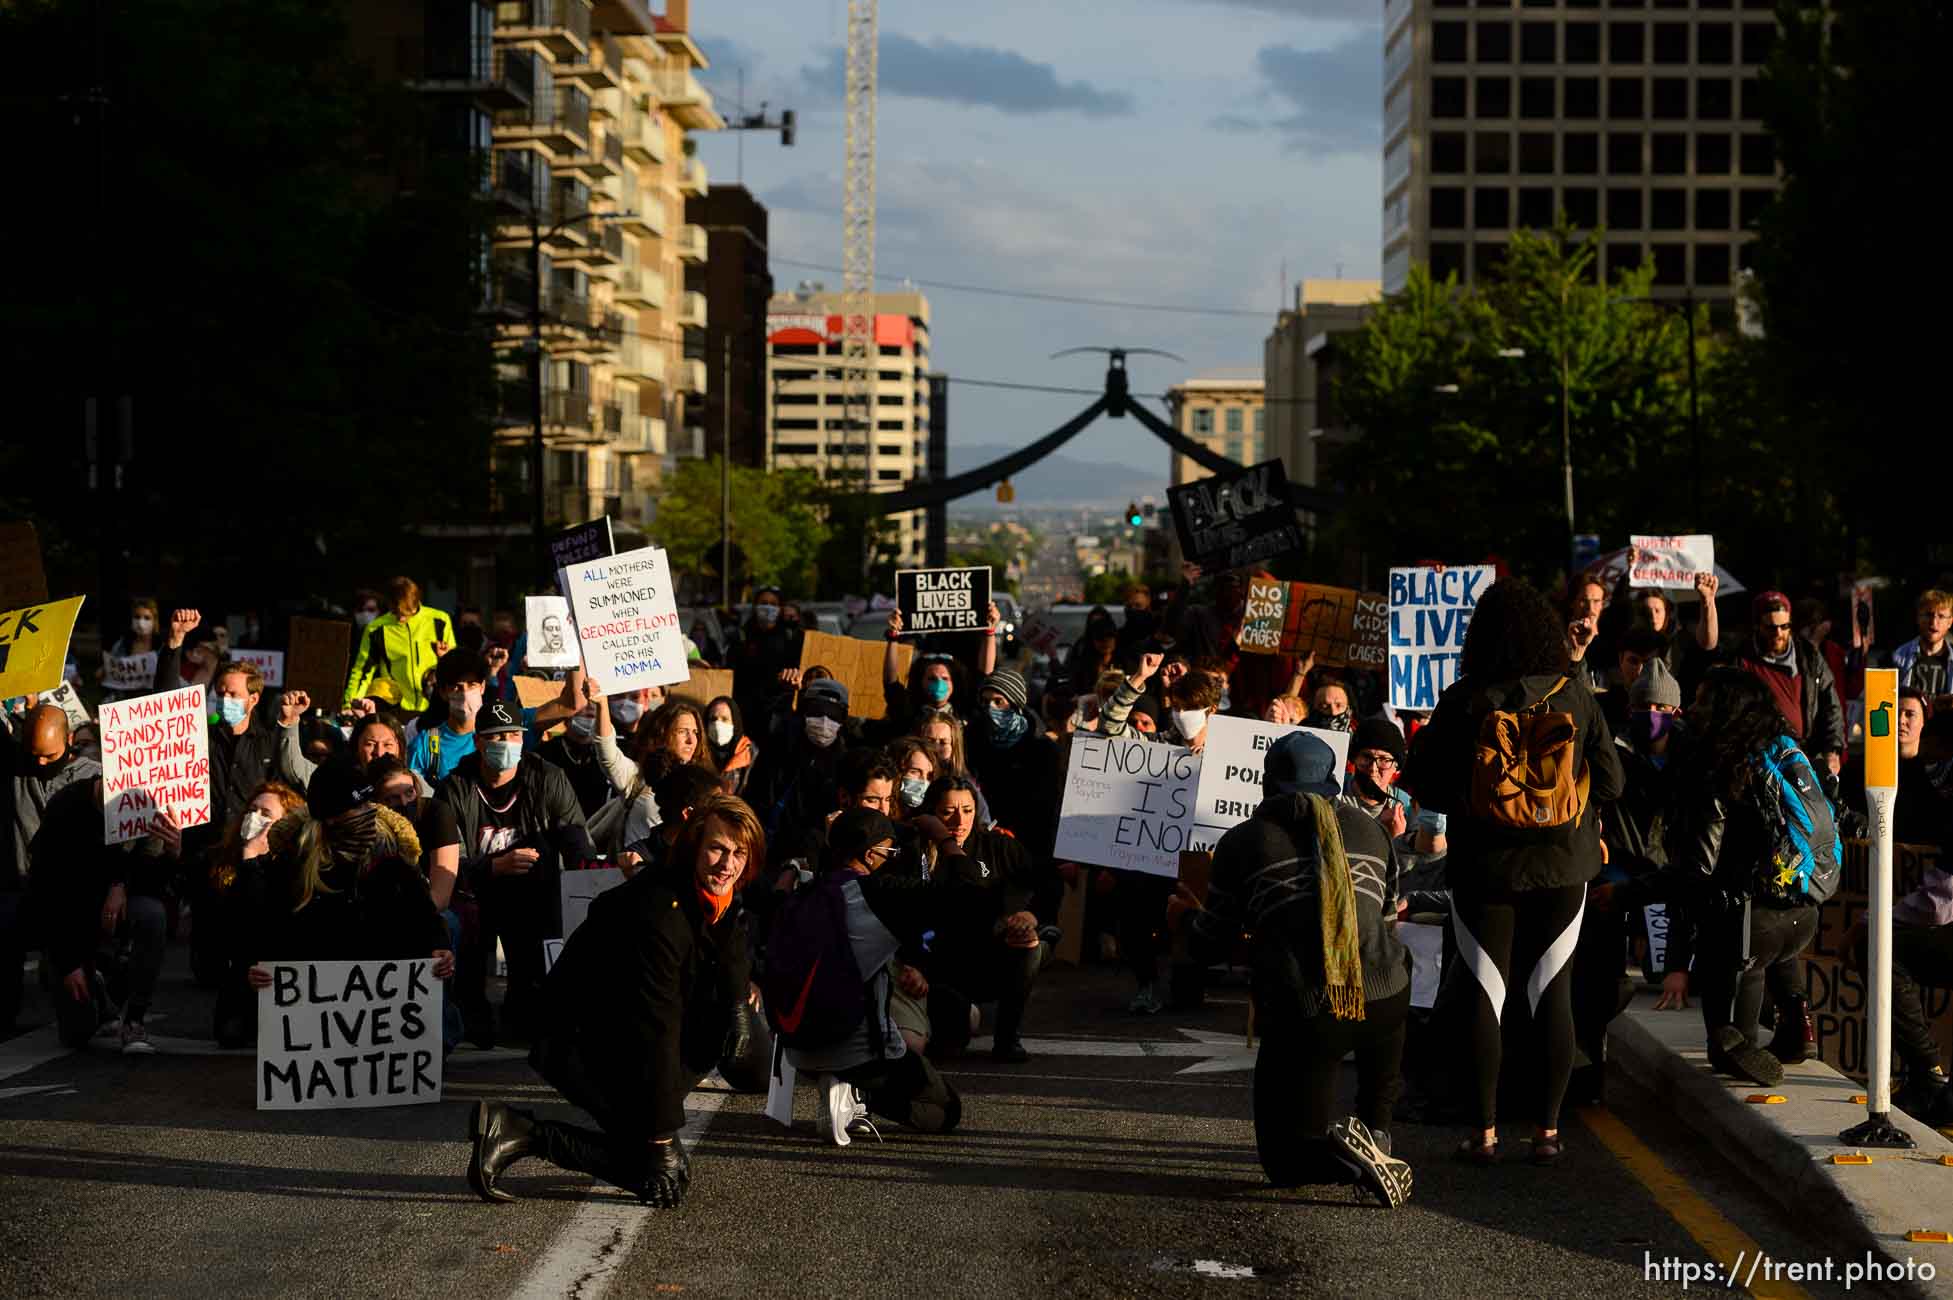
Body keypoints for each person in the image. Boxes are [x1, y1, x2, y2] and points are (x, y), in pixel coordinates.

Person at [1403, 577, 1624, 1165]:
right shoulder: (1575, 695)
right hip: (1562, 866)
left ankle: (1483, 1133)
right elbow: (1613, 782)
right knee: (1552, 992)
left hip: (1484, 866)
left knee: (1485, 991)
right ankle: (1548, 1133)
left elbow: (1422, 779)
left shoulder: (1466, 698)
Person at [466, 795, 763, 1206]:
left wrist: (736, 1005)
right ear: (695, 846)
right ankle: (521, 1133)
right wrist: (661, 1134)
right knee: (653, 1171)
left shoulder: (717, 891)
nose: (727, 864)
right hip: (582, 1038)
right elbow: (656, 1023)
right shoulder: (660, 909)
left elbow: (731, 933)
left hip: (626, 1031)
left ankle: (617, 1128)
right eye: (717, 848)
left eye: (739, 853)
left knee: (734, 1022)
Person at [1172, 731, 1414, 1207]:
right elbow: (1386, 929)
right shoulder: (1375, 831)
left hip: (1310, 1011)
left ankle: (1349, 1160)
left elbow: (1209, 944)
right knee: (1381, 988)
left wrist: (1182, 917)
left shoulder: (1244, 841)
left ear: (1267, 783)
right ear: (1331, 780)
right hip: (1388, 999)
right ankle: (1376, 1134)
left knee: (1283, 1164)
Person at [784, 808, 977, 1146]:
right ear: (871, 855)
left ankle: (839, 1082)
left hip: (797, 1050)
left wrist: (788, 871)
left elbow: (764, 899)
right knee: (944, 1111)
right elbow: (969, 891)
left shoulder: (804, 890)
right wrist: (943, 838)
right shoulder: (880, 894)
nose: (894, 858)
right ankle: (856, 1092)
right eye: (890, 852)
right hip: (857, 1047)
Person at [1669, 669, 1823, 1087]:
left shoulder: (1721, 768)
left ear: (1724, 710)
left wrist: (1632, 896)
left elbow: (1696, 871)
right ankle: (1796, 1027)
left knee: (1731, 939)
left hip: (1753, 930)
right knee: (1766, 936)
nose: (1691, 710)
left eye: (1701, 701)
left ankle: (1735, 1042)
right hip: (1805, 915)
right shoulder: (1787, 750)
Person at [436, 700, 592, 1039]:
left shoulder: (547, 778)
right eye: (496, 736)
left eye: (513, 735)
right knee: (474, 1013)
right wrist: (494, 866)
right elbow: (449, 864)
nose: (506, 743)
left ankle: (524, 1004)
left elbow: (578, 845)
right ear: (477, 742)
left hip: (535, 895)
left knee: (529, 1016)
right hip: (475, 896)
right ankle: (472, 1011)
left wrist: (596, 870)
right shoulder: (454, 788)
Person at [1578, 658, 1686, 1106]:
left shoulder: (1689, 757)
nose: (1651, 714)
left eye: (1661, 706)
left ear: (1675, 712)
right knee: (1603, 968)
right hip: (1618, 865)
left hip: (1662, 869)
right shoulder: (1615, 748)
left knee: (1661, 973)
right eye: (1644, 705)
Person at [30, 778, 180, 1052]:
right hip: (72, 916)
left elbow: (154, 886)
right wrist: (67, 963)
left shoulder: (148, 805)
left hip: (119, 906)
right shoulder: (66, 807)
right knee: (78, 1034)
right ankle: (94, 985)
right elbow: (45, 892)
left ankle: (134, 1019)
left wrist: (171, 855)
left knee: (152, 915)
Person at [917, 776, 1047, 1063]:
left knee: (1031, 943)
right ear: (931, 813)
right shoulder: (915, 850)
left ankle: (1007, 1039)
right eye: (947, 811)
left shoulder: (998, 846)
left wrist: (1028, 913)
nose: (958, 820)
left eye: (967, 810)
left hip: (988, 955)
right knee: (948, 1047)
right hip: (931, 964)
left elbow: (1043, 883)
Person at [1, 704, 101, 1032]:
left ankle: (99, 988)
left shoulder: (93, 777)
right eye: (34, 755)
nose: (41, 764)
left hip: (71, 899)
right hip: (23, 890)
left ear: (69, 739)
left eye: (49, 755)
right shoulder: (16, 768)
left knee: (79, 1028)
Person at [1736, 590, 1846, 776]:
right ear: (1758, 626)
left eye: (1784, 626)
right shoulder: (1743, 660)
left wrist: (1833, 750)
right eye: (1771, 627)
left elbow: (1831, 705)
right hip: (1762, 761)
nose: (1778, 633)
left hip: (1805, 756)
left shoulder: (1808, 656)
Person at [964, 670, 1061, 858]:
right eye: (985, 702)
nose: (990, 708)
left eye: (998, 701)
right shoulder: (972, 740)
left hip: (1029, 846)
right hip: (984, 841)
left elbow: (1045, 806)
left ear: (1016, 703)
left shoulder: (1043, 748)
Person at [748, 678, 852, 848]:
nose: (825, 721)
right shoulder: (779, 748)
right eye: (818, 711)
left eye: (833, 714)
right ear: (804, 711)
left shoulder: (845, 763)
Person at [343, 575, 454, 715]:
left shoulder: (440, 620)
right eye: (396, 613)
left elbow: (455, 668)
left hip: (434, 710)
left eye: (407, 613)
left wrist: (445, 658)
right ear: (389, 605)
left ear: (416, 601)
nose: (401, 618)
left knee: (434, 738)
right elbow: (361, 671)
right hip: (395, 710)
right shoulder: (376, 629)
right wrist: (349, 703)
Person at [1890, 589, 1953, 714]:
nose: (1934, 622)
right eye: (1929, 615)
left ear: (1950, 622)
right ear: (1918, 618)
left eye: (1941, 616)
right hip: (1910, 731)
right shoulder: (1899, 656)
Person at [97, 598, 161, 701]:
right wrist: (103, 670)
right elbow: (110, 668)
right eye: (137, 617)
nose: (141, 622)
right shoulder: (122, 644)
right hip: (123, 699)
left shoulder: (161, 646)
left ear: (155, 621)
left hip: (152, 701)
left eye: (147, 618)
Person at [703, 696, 758, 796]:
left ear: (735, 723)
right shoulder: (698, 753)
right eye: (713, 719)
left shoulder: (750, 754)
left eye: (725, 719)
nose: (717, 724)